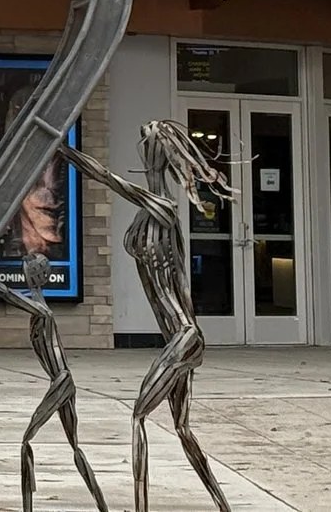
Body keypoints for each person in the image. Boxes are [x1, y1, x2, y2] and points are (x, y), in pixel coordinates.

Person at [58, 120, 232, 512]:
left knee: (139, 416)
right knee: (182, 428)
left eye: (150, 139)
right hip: (179, 335)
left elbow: (107, 178)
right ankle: (222, 504)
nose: (144, 144)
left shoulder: (163, 207)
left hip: (183, 335)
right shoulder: (152, 212)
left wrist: (62, 150)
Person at [0, 246, 110, 512]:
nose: (25, 273)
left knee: (28, 440)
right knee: (74, 447)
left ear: (35, 275)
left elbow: (6, 293)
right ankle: (101, 504)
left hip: (62, 380)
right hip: (62, 381)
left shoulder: (42, 310)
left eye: (29, 270)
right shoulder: (40, 307)